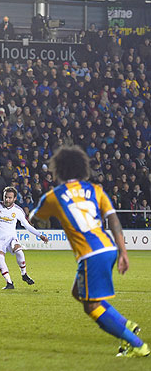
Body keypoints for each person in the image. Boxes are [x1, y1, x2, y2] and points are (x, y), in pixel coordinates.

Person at [30, 146, 149, 358]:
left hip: (90, 254)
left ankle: (138, 345)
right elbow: (113, 220)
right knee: (78, 292)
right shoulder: (96, 190)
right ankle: (127, 325)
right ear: (82, 168)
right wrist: (123, 252)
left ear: (58, 171)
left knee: (91, 307)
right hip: (108, 248)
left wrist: (39, 215)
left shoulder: (54, 196)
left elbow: (35, 219)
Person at [0, 187, 48, 290]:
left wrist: (40, 235)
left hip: (11, 238)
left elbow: (27, 225)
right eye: (5, 197)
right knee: (0, 258)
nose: (7, 200)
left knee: (19, 251)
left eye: (9, 198)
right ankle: (9, 283)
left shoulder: (18, 210)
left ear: (15, 198)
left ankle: (24, 274)